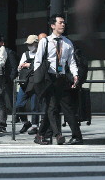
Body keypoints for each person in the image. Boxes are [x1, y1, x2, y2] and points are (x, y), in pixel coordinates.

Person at [33, 13, 82, 145]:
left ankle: (41, 135)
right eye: (60, 22)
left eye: (64, 23)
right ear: (52, 26)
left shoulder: (68, 42)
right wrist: (38, 78)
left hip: (62, 78)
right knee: (52, 107)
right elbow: (37, 61)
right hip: (48, 78)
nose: (63, 25)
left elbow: (71, 62)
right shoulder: (45, 41)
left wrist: (75, 74)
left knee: (66, 107)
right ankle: (57, 134)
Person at [15, 34, 40, 134]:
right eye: (28, 44)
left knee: (35, 106)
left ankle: (35, 125)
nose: (30, 46)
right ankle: (25, 122)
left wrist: (29, 65)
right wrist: (22, 66)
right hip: (24, 82)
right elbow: (19, 67)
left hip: (35, 82)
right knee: (19, 104)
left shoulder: (40, 54)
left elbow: (40, 67)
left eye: (31, 44)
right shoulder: (25, 54)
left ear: (36, 43)